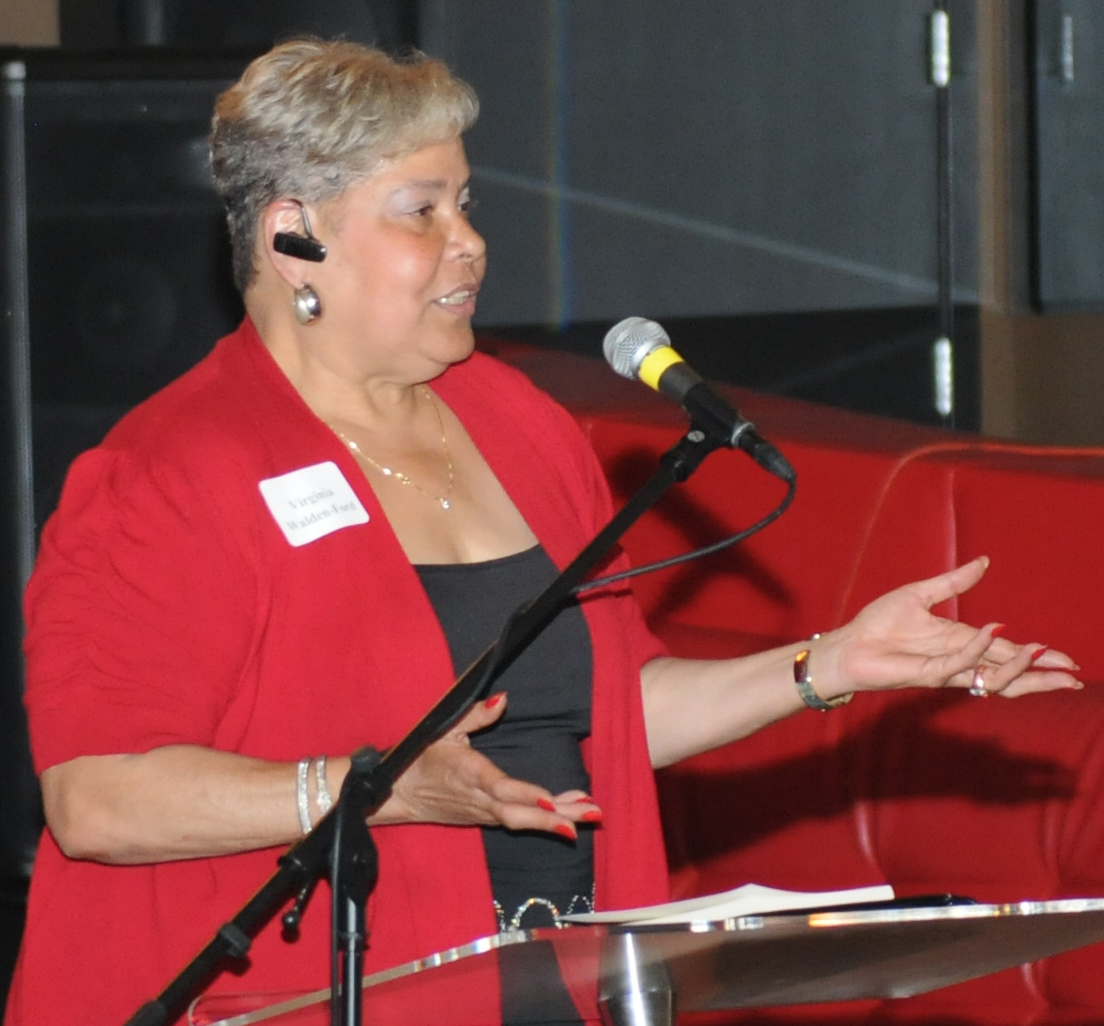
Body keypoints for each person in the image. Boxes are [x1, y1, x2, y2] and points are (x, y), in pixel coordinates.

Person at [4, 38, 1081, 1026]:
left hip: (554, 989)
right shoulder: (171, 471)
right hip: (294, 1000)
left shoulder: (517, 424)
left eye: (467, 203)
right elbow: (96, 797)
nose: (468, 242)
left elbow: (613, 712)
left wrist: (826, 663)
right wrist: (365, 791)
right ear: (294, 237)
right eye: (419, 211)